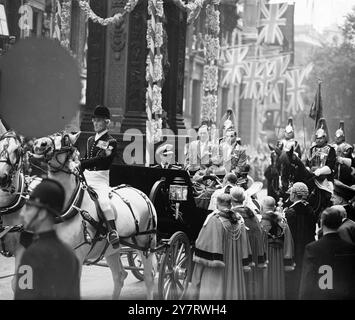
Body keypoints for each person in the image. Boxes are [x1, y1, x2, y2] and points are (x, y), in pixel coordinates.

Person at [14, 179, 80, 300]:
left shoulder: (31, 254)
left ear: (42, 214)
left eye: (28, 208)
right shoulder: (70, 254)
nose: (22, 214)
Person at [189, 193, 252, 300]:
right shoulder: (239, 220)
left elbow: (203, 246)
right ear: (230, 204)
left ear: (217, 203)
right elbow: (245, 247)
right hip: (234, 270)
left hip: (215, 272)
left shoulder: (214, 220)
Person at [79, 105, 119, 248]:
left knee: (104, 203)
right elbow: (86, 157)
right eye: (94, 120)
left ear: (106, 122)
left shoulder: (111, 142)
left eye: (99, 121)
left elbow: (102, 159)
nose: (95, 123)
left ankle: (112, 231)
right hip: (86, 176)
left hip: (100, 179)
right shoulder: (90, 140)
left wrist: (81, 163)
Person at [299, 207, 355, 300]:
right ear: (340, 222)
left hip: (322, 295)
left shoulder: (312, 248)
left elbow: (308, 280)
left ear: (322, 222)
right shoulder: (350, 248)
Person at [230, 187, 266, 300]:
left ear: (232, 200)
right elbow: (259, 232)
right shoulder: (251, 213)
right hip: (254, 250)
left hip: (240, 250)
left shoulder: (233, 215)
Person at [284, 182, 317, 300]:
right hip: (307, 248)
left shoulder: (290, 212)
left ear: (294, 194)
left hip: (293, 249)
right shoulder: (310, 210)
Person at [260, 196, 295, 300]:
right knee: (277, 281)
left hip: (264, 256)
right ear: (274, 207)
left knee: (265, 284)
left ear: (262, 207)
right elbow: (288, 242)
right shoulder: (283, 222)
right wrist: (288, 259)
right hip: (279, 256)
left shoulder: (260, 222)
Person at [306, 118, 337, 216]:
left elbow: (330, 166)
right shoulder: (311, 149)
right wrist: (307, 169)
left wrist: (320, 171)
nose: (318, 140)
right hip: (312, 177)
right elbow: (307, 162)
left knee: (331, 195)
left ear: (325, 138)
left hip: (325, 178)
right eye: (317, 138)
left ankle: (330, 212)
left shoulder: (330, 149)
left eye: (321, 138)